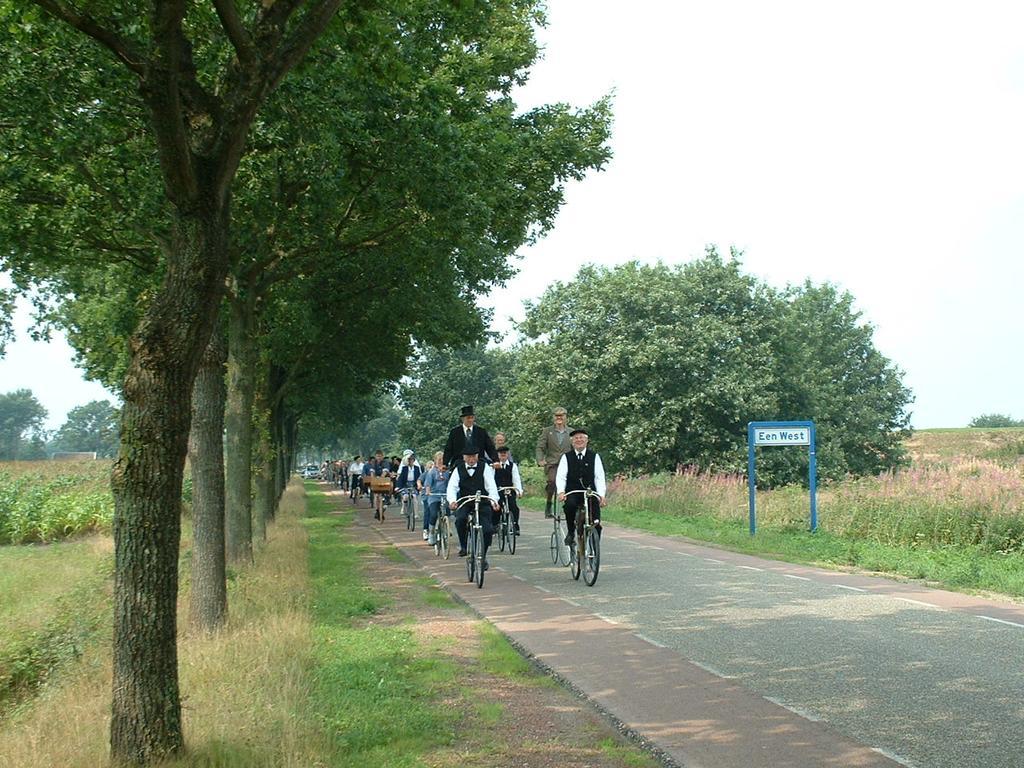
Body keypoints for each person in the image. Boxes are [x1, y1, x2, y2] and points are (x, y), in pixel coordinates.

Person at [446, 443, 499, 568]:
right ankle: (464, 546)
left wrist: (494, 501)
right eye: (468, 457)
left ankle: (483, 556)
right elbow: (452, 487)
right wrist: (452, 501)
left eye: (473, 457)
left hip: (482, 502)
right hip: (465, 501)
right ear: (464, 457)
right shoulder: (458, 469)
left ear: (477, 456)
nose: (471, 459)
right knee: (460, 519)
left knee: (487, 530)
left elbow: (491, 486)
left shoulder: (484, 467)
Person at [556, 428, 606, 546]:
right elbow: (561, 476)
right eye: (576, 438)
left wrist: (601, 495)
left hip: (589, 492)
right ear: (572, 441)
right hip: (573, 491)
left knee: (595, 518)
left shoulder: (594, 456)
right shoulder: (566, 457)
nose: (579, 440)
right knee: (569, 506)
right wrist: (561, 491)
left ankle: (594, 547)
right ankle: (571, 532)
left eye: (581, 438)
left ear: (586, 440)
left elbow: (599, 477)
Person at [536, 406, 574, 518]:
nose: (559, 418)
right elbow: (540, 447)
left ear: (565, 417)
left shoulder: (571, 432)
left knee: (572, 483)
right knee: (552, 481)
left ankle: (571, 505)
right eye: (557, 416)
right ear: (553, 417)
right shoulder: (547, 431)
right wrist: (540, 460)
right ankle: (549, 503)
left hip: (567, 462)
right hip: (552, 463)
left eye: (561, 415)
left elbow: (576, 448)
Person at [443, 405, 498, 469]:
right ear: (462, 419)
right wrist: (445, 463)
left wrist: (496, 460)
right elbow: (448, 449)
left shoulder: (481, 431)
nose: (470, 420)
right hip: (460, 463)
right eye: (468, 418)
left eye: (472, 418)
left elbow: (490, 447)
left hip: (478, 464)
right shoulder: (455, 432)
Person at [493, 444, 524, 534]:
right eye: (501, 454)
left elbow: (516, 479)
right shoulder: (494, 466)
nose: (503, 455)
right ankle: (496, 525)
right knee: (497, 506)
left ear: (507, 455)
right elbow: (490, 480)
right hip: (498, 490)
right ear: (498, 455)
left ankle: (515, 525)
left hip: (509, 489)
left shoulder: (512, 466)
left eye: (505, 454)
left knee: (513, 506)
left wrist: (519, 491)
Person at [420, 450, 448, 545]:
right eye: (439, 459)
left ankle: (446, 527)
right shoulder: (432, 472)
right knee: (433, 514)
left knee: (448, 511)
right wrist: (428, 491)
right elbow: (428, 483)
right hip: (434, 496)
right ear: (435, 460)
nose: (441, 461)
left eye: (442, 459)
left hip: (445, 495)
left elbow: (450, 483)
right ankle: (431, 533)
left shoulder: (447, 471)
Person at [395, 449, 424, 538]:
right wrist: (398, 486)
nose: (411, 461)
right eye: (409, 460)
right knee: (406, 497)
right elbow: (400, 479)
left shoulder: (416, 468)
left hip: (413, 485)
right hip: (405, 485)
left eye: (412, 460)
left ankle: (415, 513)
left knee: (414, 497)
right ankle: (404, 508)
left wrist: (420, 485)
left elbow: (419, 477)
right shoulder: (403, 468)